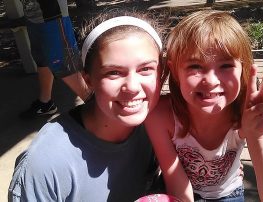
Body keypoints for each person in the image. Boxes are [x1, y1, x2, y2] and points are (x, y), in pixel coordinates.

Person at [8, 12, 168, 201]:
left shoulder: (159, 127)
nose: (132, 87)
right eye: (114, 72)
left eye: (145, 69)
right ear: (87, 79)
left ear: (162, 73)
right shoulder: (45, 165)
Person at [145, 10, 263, 201]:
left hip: (228, 194)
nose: (211, 80)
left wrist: (260, 136)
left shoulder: (245, 113)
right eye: (195, 66)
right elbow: (176, 183)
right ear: (175, 71)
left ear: (243, 68)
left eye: (225, 66)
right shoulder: (160, 115)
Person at [19, 0, 90, 119]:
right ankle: (46, 103)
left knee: (65, 62)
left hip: (51, 11)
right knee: (42, 57)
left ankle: (100, 111)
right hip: (34, 14)